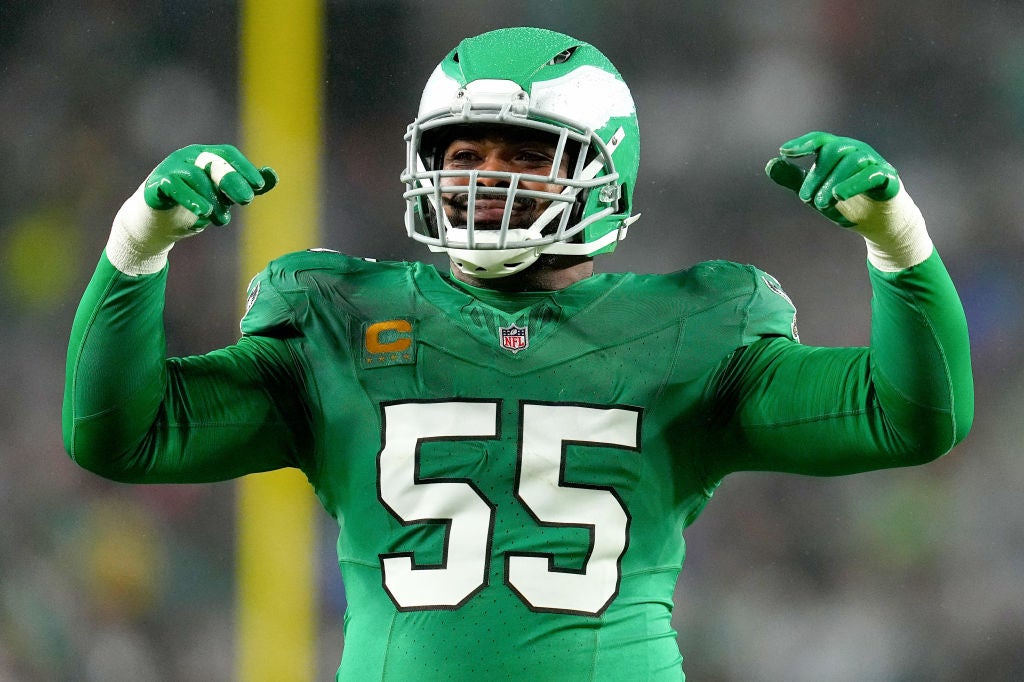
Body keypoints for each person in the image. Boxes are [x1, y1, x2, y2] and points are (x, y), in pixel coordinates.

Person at [63, 26, 974, 681]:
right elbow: (120, 435)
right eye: (463, 150)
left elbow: (911, 416)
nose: (484, 177)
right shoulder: (336, 316)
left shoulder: (697, 325)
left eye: (523, 154)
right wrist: (136, 246)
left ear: (601, 172)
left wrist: (898, 241)